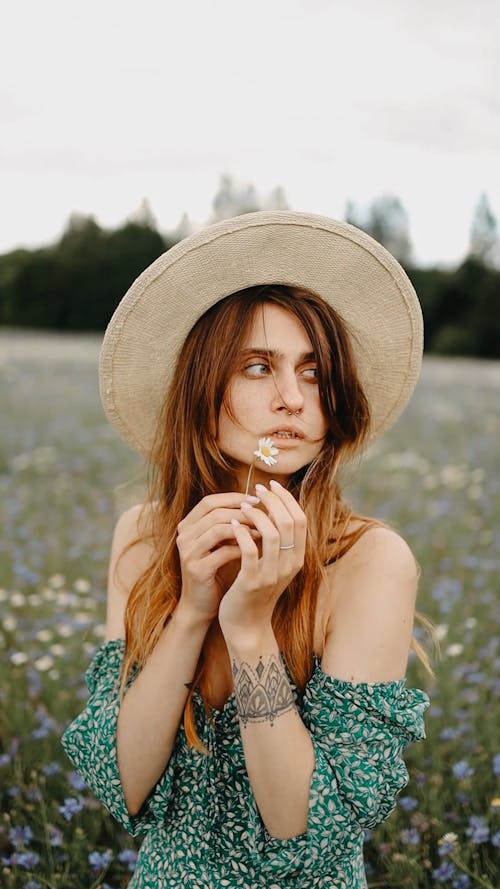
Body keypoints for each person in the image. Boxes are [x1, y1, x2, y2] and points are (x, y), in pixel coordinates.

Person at [62, 210, 431, 889]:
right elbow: (124, 789)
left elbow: (304, 827)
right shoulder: (143, 538)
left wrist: (250, 627)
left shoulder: (370, 562)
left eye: (314, 372)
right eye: (259, 366)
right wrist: (193, 609)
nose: (292, 399)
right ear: (202, 392)